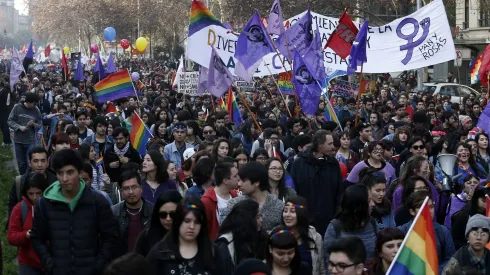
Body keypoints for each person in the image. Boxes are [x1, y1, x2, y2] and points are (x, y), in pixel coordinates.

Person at [30, 149, 117, 275]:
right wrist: (50, 264)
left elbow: (110, 237)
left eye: (70, 172)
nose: (65, 178)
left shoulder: (97, 201)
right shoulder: (45, 203)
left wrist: (98, 265)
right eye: (60, 173)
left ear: (79, 172)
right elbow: (37, 238)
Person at [290, 130, 343, 236]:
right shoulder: (298, 164)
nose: (333, 147)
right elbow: (293, 192)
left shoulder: (333, 164)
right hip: (305, 221)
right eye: (329, 144)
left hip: (328, 221)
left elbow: (339, 192)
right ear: (319, 145)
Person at [147, 197, 216, 274]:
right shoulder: (160, 252)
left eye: (197, 222)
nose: (192, 227)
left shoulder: (213, 251)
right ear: (178, 221)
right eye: (187, 221)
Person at [397, 191, 455, 273]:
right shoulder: (401, 233)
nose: (429, 211)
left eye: (431, 207)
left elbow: (450, 260)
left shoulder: (443, 231)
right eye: (424, 208)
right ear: (412, 211)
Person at [324, 185, 377, 264]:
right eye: (369, 201)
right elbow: (329, 262)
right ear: (356, 207)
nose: (373, 204)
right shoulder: (335, 228)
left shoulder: (372, 223)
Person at [222, 161, 283, 232]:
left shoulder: (278, 206)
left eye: (243, 180)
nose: (239, 184)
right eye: (239, 180)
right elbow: (225, 230)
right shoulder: (234, 204)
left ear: (257, 182)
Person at [8, 172, 48, 275]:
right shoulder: (19, 208)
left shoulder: (52, 206)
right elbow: (11, 237)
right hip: (28, 264)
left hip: (50, 261)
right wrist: (26, 234)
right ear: (26, 192)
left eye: (38, 193)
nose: (35, 197)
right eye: (31, 193)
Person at [7, 147, 56, 227]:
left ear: (48, 163)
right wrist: (11, 226)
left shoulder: (56, 182)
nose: (39, 165)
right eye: (35, 161)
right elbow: (12, 205)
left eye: (43, 161)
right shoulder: (20, 181)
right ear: (29, 163)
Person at [215, 199, 268, 274]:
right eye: (257, 217)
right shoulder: (225, 245)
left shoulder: (261, 236)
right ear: (247, 220)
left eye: (260, 216)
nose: (261, 220)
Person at [112, 170, 154, 254]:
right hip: (122, 263)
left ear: (141, 188)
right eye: (126, 188)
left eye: (134, 187)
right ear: (121, 192)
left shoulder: (153, 211)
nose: (131, 192)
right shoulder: (114, 213)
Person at [282, 196, 326, 275]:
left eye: (292, 211)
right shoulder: (278, 234)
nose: (287, 215)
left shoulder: (315, 237)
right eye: (285, 211)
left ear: (301, 213)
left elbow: (322, 269)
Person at [135, 190, 183, 257]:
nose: (168, 219)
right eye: (163, 214)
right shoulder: (146, 236)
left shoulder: (189, 235)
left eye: (173, 214)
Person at [201, 161, 239, 239]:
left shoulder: (235, 196)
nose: (239, 178)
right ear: (225, 181)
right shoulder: (206, 201)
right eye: (235, 176)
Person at [8, 92, 43, 174]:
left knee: (30, 163)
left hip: (31, 141)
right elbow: (9, 121)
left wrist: (34, 124)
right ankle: (22, 179)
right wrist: (19, 127)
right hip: (18, 141)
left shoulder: (36, 110)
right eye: (34, 104)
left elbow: (40, 123)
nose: (35, 105)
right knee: (21, 163)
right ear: (28, 102)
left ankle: (30, 179)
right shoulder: (17, 107)